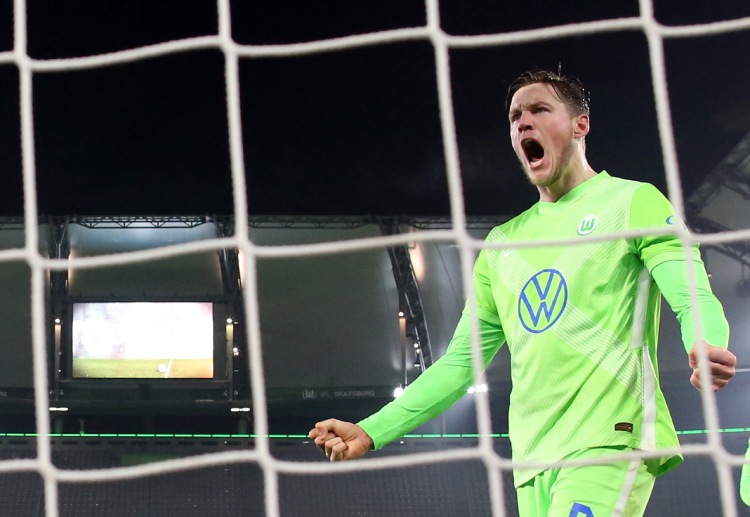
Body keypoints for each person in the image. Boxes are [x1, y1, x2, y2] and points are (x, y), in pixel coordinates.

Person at [309, 69, 736, 516]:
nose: (523, 123)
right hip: (531, 459)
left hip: (610, 438)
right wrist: (372, 430)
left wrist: (706, 341)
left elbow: (691, 293)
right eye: (515, 117)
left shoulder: (631, 203)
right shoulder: (502, 246)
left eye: (539, 110)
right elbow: (459, 363)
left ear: (580, 124)